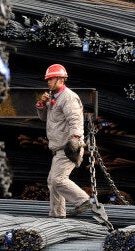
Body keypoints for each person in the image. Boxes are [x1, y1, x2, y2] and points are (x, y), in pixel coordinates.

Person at [35, 64, 113, 230]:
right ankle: (57, 216)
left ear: (61, 79)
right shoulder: (53, 97)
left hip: (68, 147)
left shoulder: (69, 97)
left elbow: (75, 120)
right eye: (47, 79)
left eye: (51, 79)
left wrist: (75, 140)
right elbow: (44, 119)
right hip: (58, 148)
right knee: (52, 182)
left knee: (58, 180)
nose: (48, 82)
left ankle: (84, 201)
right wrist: (42, 105)